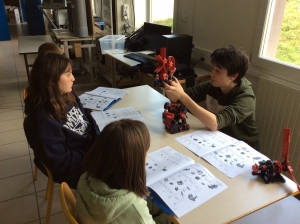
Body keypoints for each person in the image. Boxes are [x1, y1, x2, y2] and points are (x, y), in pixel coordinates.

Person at [163, 45, 260, 150]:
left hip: (243, 148)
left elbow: (215, 123)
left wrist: (182, 95)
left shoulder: (246, 98)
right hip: (218, 139)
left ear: (234, 76)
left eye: (218, 71)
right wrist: (168, 84)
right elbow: (178, 100)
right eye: (213, 68)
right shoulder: (213, 85)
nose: (212, 73)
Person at [76, 119, 172, 224]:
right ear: (134, 162)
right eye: (146, 150)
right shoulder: (137, 212)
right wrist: (167, 217)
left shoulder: (86, 178)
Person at [23, 52, 96, 189]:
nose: (73, 78)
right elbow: (60, 162)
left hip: (88, 150)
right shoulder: (40, 121)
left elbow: (84, 118)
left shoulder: (68, 96)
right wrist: (94, 156)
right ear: (51, 80)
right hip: (73, 169)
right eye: (68, 74)